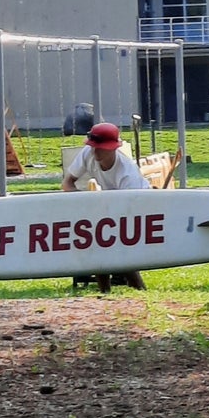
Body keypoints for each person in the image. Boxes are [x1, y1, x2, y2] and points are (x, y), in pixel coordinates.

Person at [62, 122, 147, 291]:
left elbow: (130, 210)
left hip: (138, 205)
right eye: (94, 147)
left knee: (117, 247)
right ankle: (106, 290)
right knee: (99, 242)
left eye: (101, 148)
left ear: (113, 148)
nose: (96, 151)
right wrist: (83, 202)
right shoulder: (88, 153)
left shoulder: (128, 174)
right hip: (109, 202)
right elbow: (67, 183)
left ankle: (136, 288)